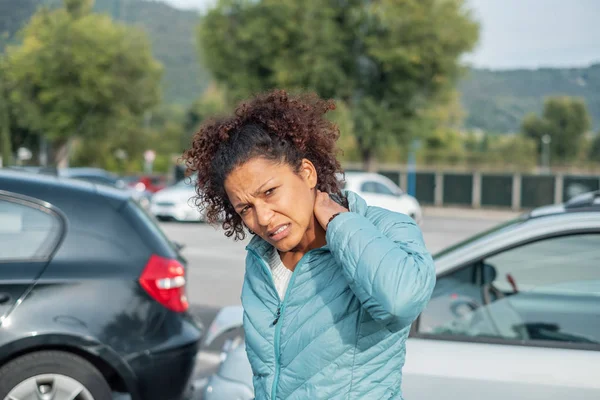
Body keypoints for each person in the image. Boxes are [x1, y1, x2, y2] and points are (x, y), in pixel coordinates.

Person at [183, 89, 436, 399]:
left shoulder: (383, 227)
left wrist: (340, 224)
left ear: (307, 172)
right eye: (245, 209)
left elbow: (401, 302)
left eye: (270, 192)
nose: (262, 217)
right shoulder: (262, 259)